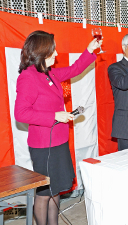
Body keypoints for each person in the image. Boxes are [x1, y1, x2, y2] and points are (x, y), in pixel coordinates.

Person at [14, 30, 101, 225]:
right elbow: (20, 113)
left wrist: (89, 49)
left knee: (56, 191)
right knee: (45, 193)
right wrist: (54, 116)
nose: (56, 54)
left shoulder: (49, 73)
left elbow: (74, 69)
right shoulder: (28, 77)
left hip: (59, 142)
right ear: (41, 52)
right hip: (44, 146)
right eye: (53, 50)